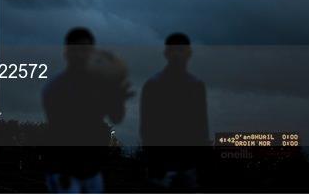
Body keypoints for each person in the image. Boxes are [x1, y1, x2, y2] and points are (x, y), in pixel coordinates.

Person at [42, 27, 132, 193]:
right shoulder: (56, 87)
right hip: (65, 170)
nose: (80, 55)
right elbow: (66, 127)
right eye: (76, 49)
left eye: (85, 49)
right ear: (67, 52)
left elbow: (117, 117)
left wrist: (117, 97)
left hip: (91, 171)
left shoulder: (100, 84)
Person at [140, 32, 209, 189]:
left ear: (188, 53)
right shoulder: (153, 85)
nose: (177, 54)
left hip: (186, 164)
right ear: (166, 53)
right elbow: (147, 128)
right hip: (163, 165)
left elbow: (201, 127)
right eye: (173, 50)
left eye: (181, 50)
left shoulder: (196, 86)